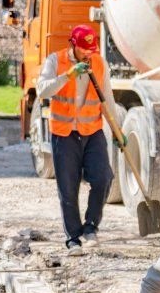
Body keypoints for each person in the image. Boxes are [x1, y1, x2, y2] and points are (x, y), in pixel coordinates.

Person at [36, 24, 116, 254]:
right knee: (68, 189)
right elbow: (42, 90)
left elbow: (107, 99)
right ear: (73, 44)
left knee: (103, 178)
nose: (88, 53)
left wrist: (118, 132)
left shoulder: (99, 64)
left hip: (92, 131)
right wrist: (67, 76)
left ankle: (91, 226)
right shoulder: (55, 60)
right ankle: (73, 238)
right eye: (83, 49)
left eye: (91, 49)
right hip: (64, 133)